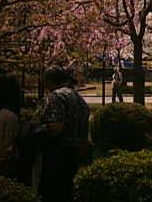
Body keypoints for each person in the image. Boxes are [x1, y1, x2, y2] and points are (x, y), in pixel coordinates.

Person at [38, 66, 89, 202]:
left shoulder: (56, 96)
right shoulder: (79, 98)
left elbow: (56, 127)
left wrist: (37, 129)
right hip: (74, 153)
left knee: (53, 192)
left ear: (49, 81)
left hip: (57, 152)